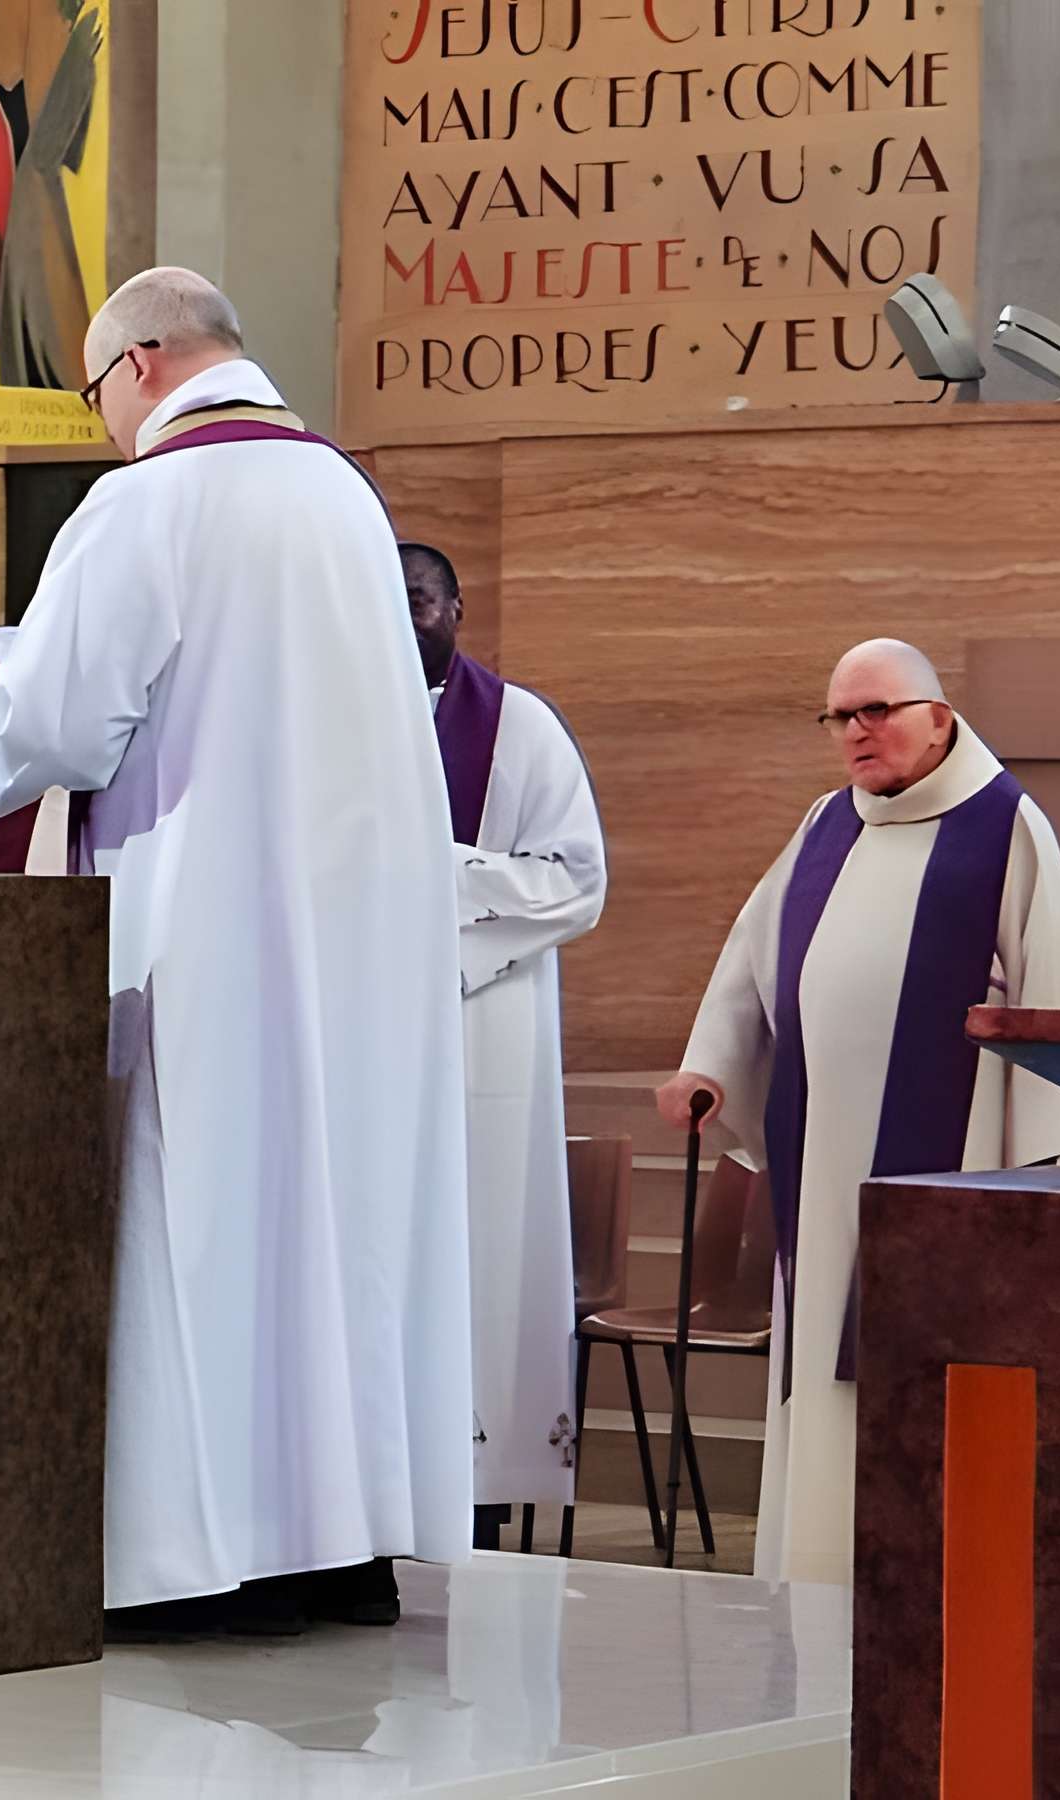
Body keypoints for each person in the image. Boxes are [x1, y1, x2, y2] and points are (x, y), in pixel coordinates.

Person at [0, 268, 472, 1633]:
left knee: (203, 1224)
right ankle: (338, 1543)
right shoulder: (346, 496)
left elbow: (57, 729)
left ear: (136, 365)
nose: (103, 423)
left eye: (92, 394)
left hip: (210, 935)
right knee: (333, 1227)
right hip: (352, 937)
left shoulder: (148, 501)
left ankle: (197, 1559)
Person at [659, 638, 1060, 1584]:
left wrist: (1046, 1164)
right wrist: (711, 1069)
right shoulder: (823, 824)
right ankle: (809, 1577)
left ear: (938, 716)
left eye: (877, 710)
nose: (858, 732)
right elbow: (750, 962)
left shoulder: (1005, 827)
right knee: (819, 1356)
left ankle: (914, 1590)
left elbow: (1057, 983)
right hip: (821, 1162)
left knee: (911, 1364)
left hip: (946, 1166)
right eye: (841, 716)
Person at [403, 545, 607, 1545]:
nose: (404, 618)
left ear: (455, 607)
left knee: (478, 1251)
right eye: (384, 600)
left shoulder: (518, 727)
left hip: (480, 1025)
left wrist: (422, 882)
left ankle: (473, 1502)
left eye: (420, 599)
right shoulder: (332, 719)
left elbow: (576, 877)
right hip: (363, 1047)